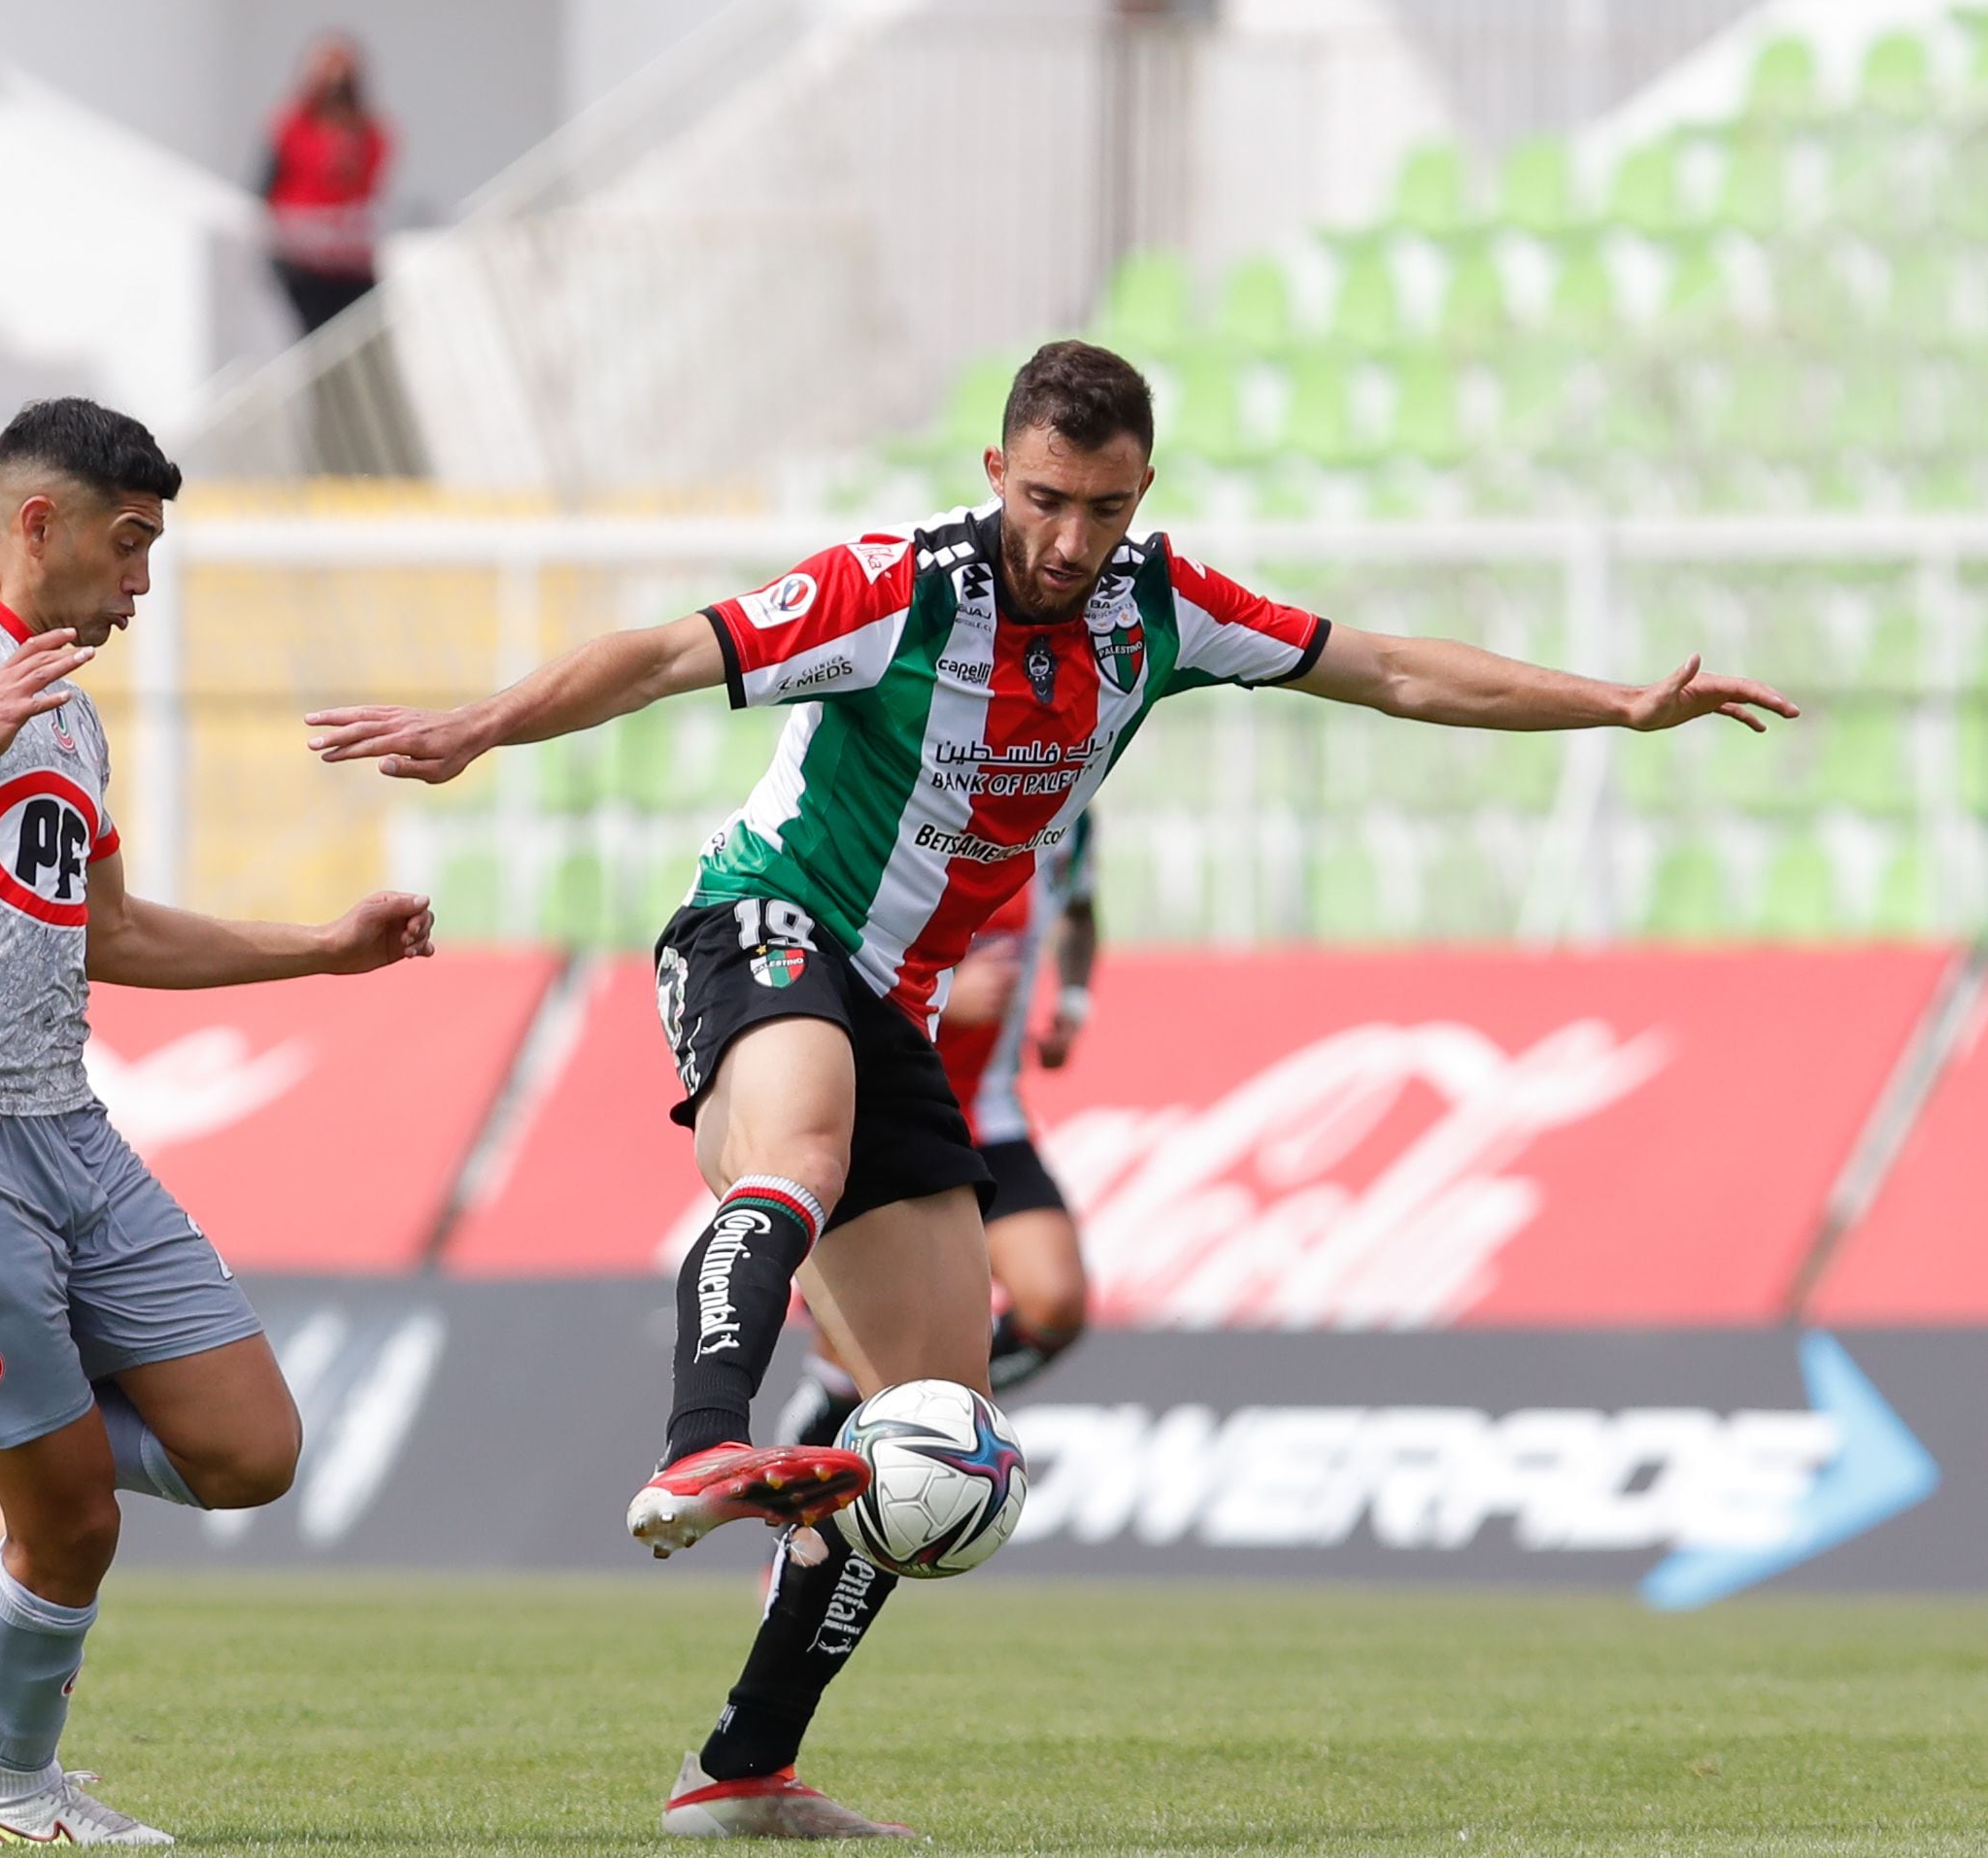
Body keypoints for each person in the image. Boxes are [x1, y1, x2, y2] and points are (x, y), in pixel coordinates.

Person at [305, 339, 1794, 1839]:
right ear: (992, 474)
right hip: (759, 920)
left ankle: (741, 1767)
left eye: (1106, 506)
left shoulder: (1164, 609)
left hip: (898, 996)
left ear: (1142, 493)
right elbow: (666, 653)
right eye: (1046, 498)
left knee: (937, 1412)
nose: (1072, 540)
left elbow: (1393, 668)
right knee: (799, 1142)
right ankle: (701, 1437)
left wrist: (1615, 704)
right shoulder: (899, 584)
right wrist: (481, 720)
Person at [0, 396, 434, 1845]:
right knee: (70, 1520)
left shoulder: (65, 708)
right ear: (41, 520)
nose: (140, 584)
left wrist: (323, 946)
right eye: (128, 547)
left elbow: (106, 930)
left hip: (69, 1129)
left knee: (252, 1448)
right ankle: (2, 1792)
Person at [777, 811, 1097, 1451]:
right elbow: (830, 962)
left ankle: (927, 1419)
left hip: (988, 1114)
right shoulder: (913, 792)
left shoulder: (1072, 804)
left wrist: (1070, 1001)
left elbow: (1082, 911)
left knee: (1054, 1300)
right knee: (859, 1344)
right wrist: (945, 1002)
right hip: (879, 1112)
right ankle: (808, 1515)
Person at [261, 33, 389, 337]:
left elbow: (366, 186)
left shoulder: (369, 134)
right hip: (302, 265)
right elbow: (270, 186)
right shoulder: (290, 126)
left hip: (351, 265)